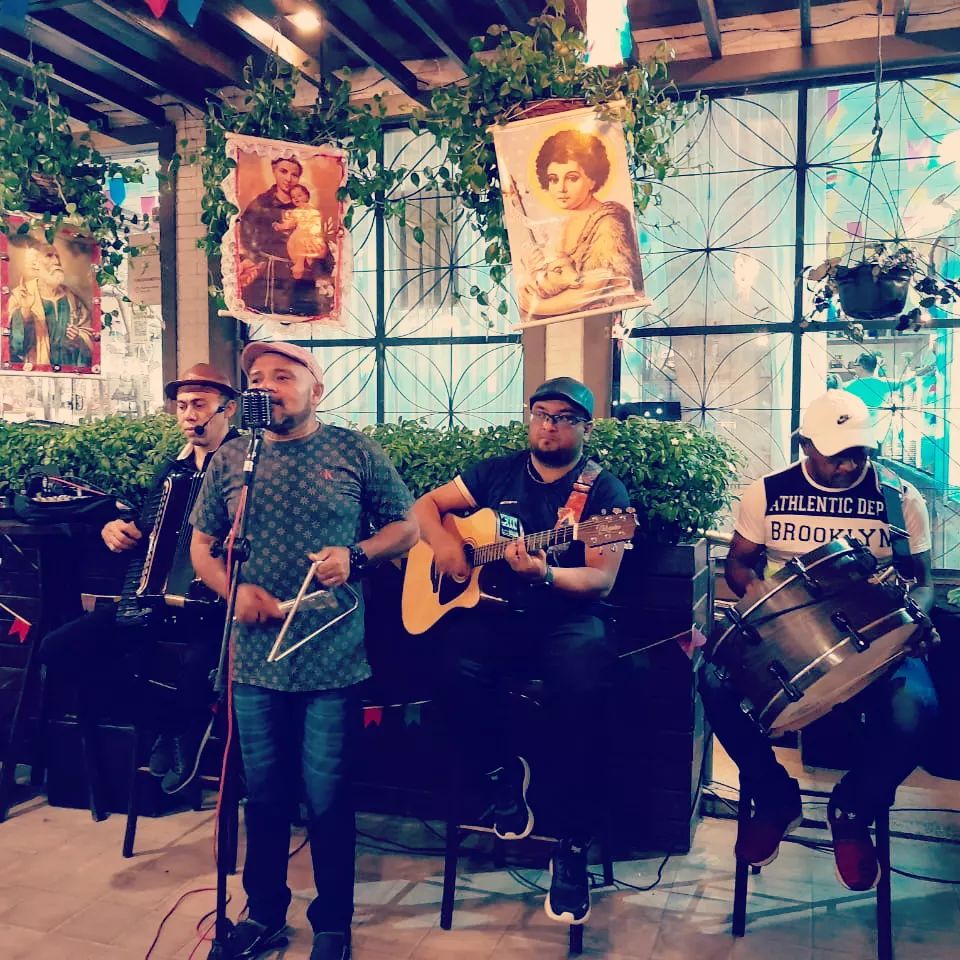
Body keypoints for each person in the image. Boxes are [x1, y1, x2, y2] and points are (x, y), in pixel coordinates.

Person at [189, 342, 418, 960]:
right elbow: (202, 547)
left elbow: (407, 526)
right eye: (257, 378)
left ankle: (333, 923)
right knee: (262, 795)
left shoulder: (354, 450)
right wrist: (233, 592)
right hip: (253, 659)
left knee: (327, 796)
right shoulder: (234, 457)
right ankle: (263, 914)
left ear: (316, 388)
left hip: (330, 655)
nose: (267, 386)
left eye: (283, 376)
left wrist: (356, 556)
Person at [411, 376, 630, 925]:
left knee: (583, 692)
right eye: (541, 414)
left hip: (568, 618)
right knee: (444, 669)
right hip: (496, 613)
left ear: (586, 427)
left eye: (564, 417)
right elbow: (426, 506)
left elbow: (602, 580)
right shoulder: (496, 472)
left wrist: (546, 573)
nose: (549, 426)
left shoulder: (607, 493)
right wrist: (446, 545)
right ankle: (500, 775)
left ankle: (572, 844)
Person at [700, 390, 939, 891]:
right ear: (806, 444)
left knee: (918, 710)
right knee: (714, 684)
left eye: (860, 452)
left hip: (878, 643)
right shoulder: (768, 492)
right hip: (789, 643)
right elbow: (738, 562)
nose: (850, 464)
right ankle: (774, 797)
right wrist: (758, 595)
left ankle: (852, 809)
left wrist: (917, 618)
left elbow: (922, 579)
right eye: (837, 454)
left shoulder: (898, 498)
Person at [41, 363, 240, 794]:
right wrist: (116, 530)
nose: (188, 414)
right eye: (181, 406)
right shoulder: (172, 470)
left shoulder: (246, 464)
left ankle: (185, 724)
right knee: (59, 649)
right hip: (151, 601)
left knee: (198, 666)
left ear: (228, 409)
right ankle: (173, 723)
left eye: (199, 404)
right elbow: (150, 529)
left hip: (215, 607)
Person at [518, 129, 645, 320]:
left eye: (572, 178)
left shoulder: (609, 222)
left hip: (600, 324)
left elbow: (593, 288)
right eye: (553, 179)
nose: (561, 188)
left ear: (592, 179)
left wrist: (537, 306)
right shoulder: (559, 223)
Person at [8, 242, 94, 369]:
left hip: (68, 372)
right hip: (36, 373)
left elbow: (90, 336)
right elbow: (14, 347)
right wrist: (25, 312)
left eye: (57, 256)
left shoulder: (73, 299)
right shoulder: (21, 295)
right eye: (49, 256)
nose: (56, 262)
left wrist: (78, 338)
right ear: (35, 264)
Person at [283, 185, 331, 280]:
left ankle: (300, 265)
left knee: (305, 241)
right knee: (298, 243)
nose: (296, 198)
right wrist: (281, 226)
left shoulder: (312, 210)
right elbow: (291, 223)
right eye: (293, 197)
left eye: (299, 195)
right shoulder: (296, 211)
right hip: (298, 237)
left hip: (309, 235)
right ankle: (299, 265)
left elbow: (315, 224)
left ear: (307, 196)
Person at [843, 352, 914, 409]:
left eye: (856, 365)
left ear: (861, 367)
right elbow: (906, 382)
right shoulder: (884, 383)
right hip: (879, 421)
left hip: (857, 421)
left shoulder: (848, 386)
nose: (854, 368)